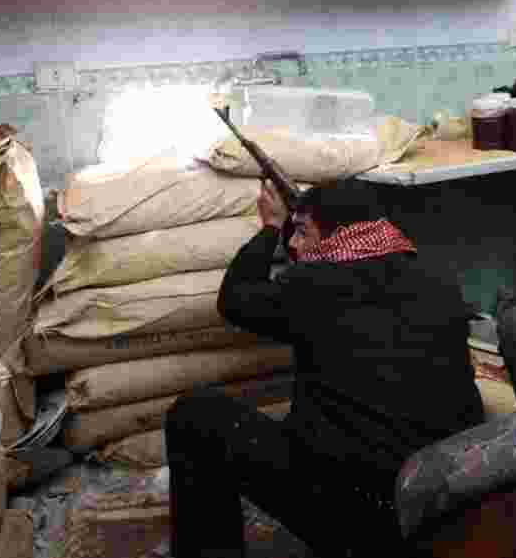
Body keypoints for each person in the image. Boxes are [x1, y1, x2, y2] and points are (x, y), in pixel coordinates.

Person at [165, 177, 485, 558]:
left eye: (301, 231)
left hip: (360, 518)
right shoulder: (437, 278)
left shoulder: (312, 284)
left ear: (340, 235)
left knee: (194, 416)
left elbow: (234, 298)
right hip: (444, 505)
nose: (294, 246)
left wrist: (270, 228)